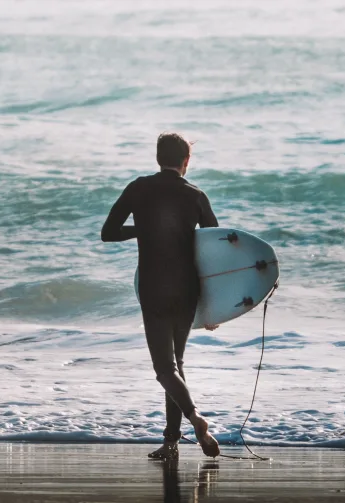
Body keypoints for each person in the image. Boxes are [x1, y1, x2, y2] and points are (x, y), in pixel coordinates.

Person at [101, 132, 222, 459]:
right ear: (186, 161)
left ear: (158, 158)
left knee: (164, 369)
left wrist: (144, 229)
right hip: (187, 290)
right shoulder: (196, 195)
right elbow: (214, 249)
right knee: (176, 364)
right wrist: (214, 307)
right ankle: (171, 442)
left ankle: (195, 417)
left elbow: (108, 233)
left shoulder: (138, 188)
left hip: (154, 287)